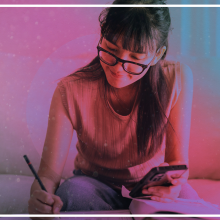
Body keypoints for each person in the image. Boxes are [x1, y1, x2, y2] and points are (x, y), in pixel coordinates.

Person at [28, 0, 200, 215]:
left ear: (157, 55)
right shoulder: (70, 90)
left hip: (151, 188)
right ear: (102, 35)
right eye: (110, 50)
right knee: (73, 193)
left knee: (189, 202)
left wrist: (173, 184)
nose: (119, 69)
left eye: (136, 58)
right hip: (93, 187)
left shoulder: (177, 78)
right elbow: (48, 176)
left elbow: (177, 163)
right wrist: (40, 198)